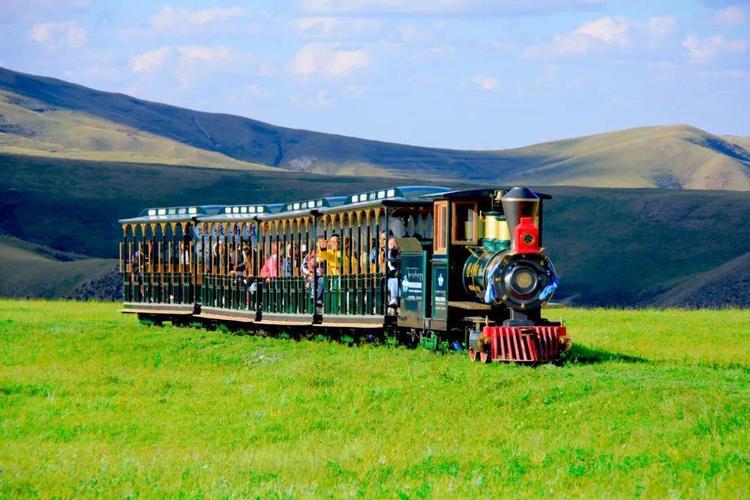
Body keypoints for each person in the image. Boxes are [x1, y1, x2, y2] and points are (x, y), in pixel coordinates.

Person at [386, 237, 400, 315]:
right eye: (391, 244)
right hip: (390, 277)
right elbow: (391, 266)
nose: (392, 245)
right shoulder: (388, 254)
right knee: (394, 281)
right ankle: (394, 298)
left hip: (397, 276)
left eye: (394, 244)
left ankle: (396, 302)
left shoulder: (397, 253)